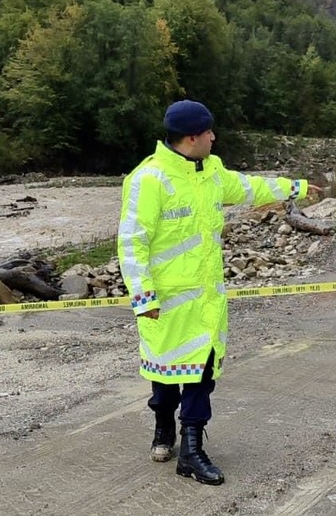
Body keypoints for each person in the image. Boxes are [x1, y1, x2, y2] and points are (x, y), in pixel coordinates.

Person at [117, 100, 320, 486]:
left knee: (201, 374)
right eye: (208, 132)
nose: (214, 137)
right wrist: (143, 297)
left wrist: (297, 187)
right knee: (165, 374)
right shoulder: (149, 179)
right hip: (167, 302)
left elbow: (250, 187)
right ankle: (164, 426)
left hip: (207, 301)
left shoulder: (211, 172)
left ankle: (191, 449)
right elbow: (131, 243)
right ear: (191, 137)